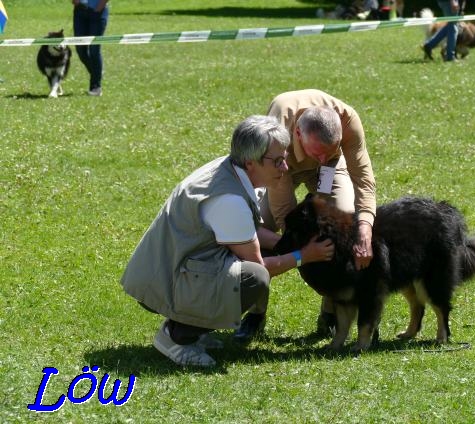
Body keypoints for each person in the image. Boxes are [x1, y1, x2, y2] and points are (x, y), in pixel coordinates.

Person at [120, 115, 335, 367]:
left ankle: (195, 328)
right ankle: (177, 337)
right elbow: (260, 266)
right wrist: (304, 255)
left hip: (166, 269)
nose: (285, 168)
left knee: (254, 261)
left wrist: (283, 243)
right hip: (164, 281)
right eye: (277, 161)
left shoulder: (229, 170)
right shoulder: (229, 200)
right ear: (250, 162)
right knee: (252, 278)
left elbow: (249, 234)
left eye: (284, 158)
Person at [264, 89, 377, 335]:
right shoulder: (279, 124)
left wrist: (365, 227)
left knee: (344, 220)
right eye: (317, 151)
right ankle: (255, 313)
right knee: (260, 224)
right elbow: (281, 201)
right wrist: (298, 249)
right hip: (281, 170)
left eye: (330, 149)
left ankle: (331, 311)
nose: (322, 157)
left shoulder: (348, 121)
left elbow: (364, 181)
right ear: (297, 133)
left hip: (329, 172)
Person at [71, 0, 109, 96]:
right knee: (80, 50)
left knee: (94, 50)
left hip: (98, 12)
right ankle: (97, 72)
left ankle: (96, 87)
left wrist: (98, 9)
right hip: (80, 12)